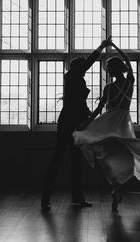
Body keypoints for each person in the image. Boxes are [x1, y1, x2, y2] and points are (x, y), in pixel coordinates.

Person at [73, 41, 140, 212]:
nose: (107, 71)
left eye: (109, 68)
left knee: (110, 157)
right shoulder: (129, 82)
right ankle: (116, 189)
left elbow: (98, 110)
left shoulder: (109, 88)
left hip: (109, 125)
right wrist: (115, 48)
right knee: (123, 156)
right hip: (123, 124)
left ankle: (115, 187)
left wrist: (86, 124)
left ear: (114, 70)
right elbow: (129, 65)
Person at [41, 36, 111, 212]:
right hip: (68, 124)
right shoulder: (72, 76)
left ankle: (76, 198)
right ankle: (46, 199)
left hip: (75, 122)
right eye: (81, 66)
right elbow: (88, 63)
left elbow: (78, 102)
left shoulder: (76, 79)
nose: (84, 68)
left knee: (75, 161)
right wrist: (102, 46)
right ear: (75, 67)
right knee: (59, 159)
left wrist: (88, 113)